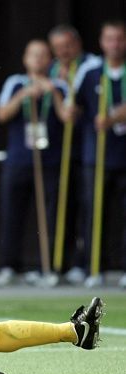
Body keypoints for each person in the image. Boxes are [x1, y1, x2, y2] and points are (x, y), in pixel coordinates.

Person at [0, 40, 66, 287]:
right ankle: (9, 265)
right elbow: (2, 114)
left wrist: (52, 93)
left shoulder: (60, 85)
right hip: (18, 159)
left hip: (49, 161)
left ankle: (47, 267)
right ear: (26, 59)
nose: (38, 60)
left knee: (50, 215)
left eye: (43, 55)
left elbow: (68, 116)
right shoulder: (15, 83)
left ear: (50, 60)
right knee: (12, 212)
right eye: (33, 55)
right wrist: (25, 94)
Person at [67, 20, 126, 290]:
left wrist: (114, 117)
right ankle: (94, 268)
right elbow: (74, 107)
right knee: (95, 213)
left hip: (123, 156)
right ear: (102, 42)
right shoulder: (90, 71)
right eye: (110, 39)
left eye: (120, 39)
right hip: (97, 157)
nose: (115, 44)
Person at [47, 25, 96, 285]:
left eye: (66, 46)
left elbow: (73, 111)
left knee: (86, 208)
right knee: (59, 207)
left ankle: (84, 262)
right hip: (57, 152)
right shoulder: (52, 68)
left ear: (76, 44)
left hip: (86, 149)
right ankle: (59, 264)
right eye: (57, 48)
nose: (62, 52)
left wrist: (63, 89)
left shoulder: (90, 67)